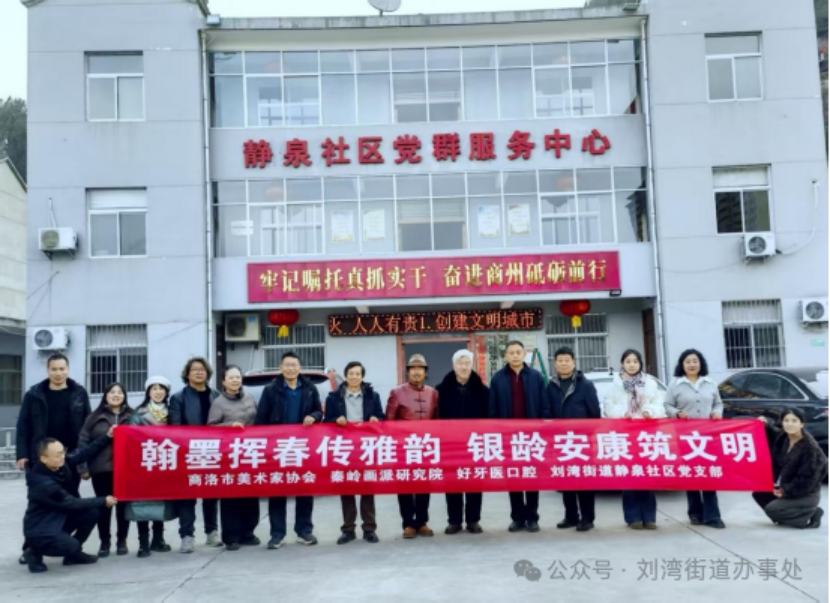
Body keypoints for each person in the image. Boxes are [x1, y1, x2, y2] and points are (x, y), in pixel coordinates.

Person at [16, 353, 92, 565]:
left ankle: (71, 548)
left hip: (70, 459)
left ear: (68, 369)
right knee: (39, 505)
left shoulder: (79, 393)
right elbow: (23, 426)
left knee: (71, 501)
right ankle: (30, 549)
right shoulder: (34, 394)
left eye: (62, 369)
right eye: (54, 369)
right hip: (40, 460)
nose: (58, 373)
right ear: (47, 370)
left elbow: (87, 428)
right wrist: (22, 454)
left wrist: (84, 462)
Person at [23, 429, 118, 573]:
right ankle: (33, 552)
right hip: (41, 527)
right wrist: (103, 500)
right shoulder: (43, 483)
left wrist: (107, 436)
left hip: (58, 517)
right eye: (58, 455)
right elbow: (71, 503)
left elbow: (84, 453)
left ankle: (73, 556)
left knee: (92, 512)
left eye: (63, 452)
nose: (62, 457)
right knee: (70, 545)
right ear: (44, 458)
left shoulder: (60, 464)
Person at [256, 352, 322, 549]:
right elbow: (261, 419)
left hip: (303, 447)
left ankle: (304, 531)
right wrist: (265, 447)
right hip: (278, 449)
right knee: (277, 490)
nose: (291, 368)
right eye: (287, 365)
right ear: (281, 368)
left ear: (299, 368)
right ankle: (277, 534)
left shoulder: (310, 388)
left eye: (294, 365)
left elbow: (319, 411)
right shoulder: (270, 390)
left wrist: (314, 416)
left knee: (305, 489)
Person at [489, 340, 551, 533]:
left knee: (531, 476)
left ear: (524, 354)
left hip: (532, 437)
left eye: (518, 352)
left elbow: (544, 404)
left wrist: (543, 427)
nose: (515, 355)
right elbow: (493, 408)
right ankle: (517, 518)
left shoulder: (536, 376)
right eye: (511, 353)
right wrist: (496, 431)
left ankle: (532, 517)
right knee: (513, 477)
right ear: (505, 356)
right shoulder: (498, 378)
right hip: (508, 438)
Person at [602, 349, 666, 530]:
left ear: (640, 364)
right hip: (625, 435)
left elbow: (658, 405)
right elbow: (608, 406)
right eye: (628, 361)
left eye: (635, 361)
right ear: (622, 364)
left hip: (646, 435)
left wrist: (649, 412)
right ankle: (633, 517)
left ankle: (649, 517)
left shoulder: (650, 383)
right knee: (629, 475)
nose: (632, 364)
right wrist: (623, 413)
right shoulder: (615, 384)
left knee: (647, 474)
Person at [663, 349, 726, 529]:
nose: (692, 364)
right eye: (688, 361)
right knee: (691, 474)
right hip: (686, 437)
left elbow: (718, 403)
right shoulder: (675, 384)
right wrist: (677, 413)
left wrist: (717, 412)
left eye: (695, 361)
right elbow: (667, 405)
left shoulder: (710, 382)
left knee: (709, 475)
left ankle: (713, 515)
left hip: (708, 437)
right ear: (682, 365)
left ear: (700, 363)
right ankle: (695, 513)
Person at [324, 361, 384, 545]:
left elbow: (381, 417)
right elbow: (326, 422)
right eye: (351, 374)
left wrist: (376, 419)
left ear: (362, 376)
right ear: (346, 375)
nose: (354, 377)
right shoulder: (334, 397)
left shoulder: (373, 396)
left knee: (367, 488)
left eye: (358, 374)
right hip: (344, 448)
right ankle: (348, 530)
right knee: (347, 488)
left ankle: (369, 529)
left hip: (366, 447)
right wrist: (336, 419)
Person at [169, 357, 221, 552]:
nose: (199, 372)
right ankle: (187, 536)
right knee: (187, 496)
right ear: (187, 374)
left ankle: (212, 532)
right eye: (195, 370)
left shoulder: (216, 395)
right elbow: (175, 427)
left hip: (213, 451)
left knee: (211, 494)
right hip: (188, 452)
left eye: (202, 369)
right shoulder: (178, 398)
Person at [547, 346, 601, 532]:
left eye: (567, 360)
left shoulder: (585, 385)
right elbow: (547, 411)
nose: (563, 363)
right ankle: (571, 516)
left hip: (582, 441)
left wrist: (589, 435)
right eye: (560, 360)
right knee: (565, 479)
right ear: (555, 364)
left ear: (574, 362)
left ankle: (587, 518)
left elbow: (595, 413)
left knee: (584, 479)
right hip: (561, 441)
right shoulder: (551, 386)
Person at [77, 382, 134, 557]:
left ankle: (122, 541)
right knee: (104, 506)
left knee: (123, 507)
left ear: (124, 396)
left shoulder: (133, 416)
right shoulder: (94, 417)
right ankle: (105, 542)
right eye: (112, 392)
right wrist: (83, 467)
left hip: (126, 470)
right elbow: (82, 443)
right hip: (101, 469)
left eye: (119, 392)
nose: (116, 395)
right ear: (105, 396)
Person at [208, 365, 261, 551]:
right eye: (231, 377)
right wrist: (230, 426)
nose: (235, 380)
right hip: (229, 456)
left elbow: (258, 420)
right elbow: (210, 427)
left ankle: (248, 533)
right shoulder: (218, 403)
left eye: (238, 377)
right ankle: (231, 537)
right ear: (223, 381)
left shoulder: (249, 397)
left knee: (251, 496)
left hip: (250, 453)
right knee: (231, 498)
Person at [386, 354, 439, 539]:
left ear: (425, 372)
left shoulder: (433, 393)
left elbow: (438, 421)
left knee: (424, 485)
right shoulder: (396, 392)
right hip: (404, 449)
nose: (416, 372)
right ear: (408, 371)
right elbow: (389, 422)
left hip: (426, 448)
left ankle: (422, 522)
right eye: (413, 369)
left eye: (420, 369)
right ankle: (408, 523)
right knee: (405, 486)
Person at [436, 349, 489, 535]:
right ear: (453, 365)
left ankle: (473, 520)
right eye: (460, 363)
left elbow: (489, 417)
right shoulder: (440, 390)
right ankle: (455, 521)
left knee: (475, 482)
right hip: (450, 444)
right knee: (452, 482)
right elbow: (436, 417)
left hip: (475, 444)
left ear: (472, 365)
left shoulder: (483, 390)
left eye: (467, 363)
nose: (464, 367)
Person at [753, 410, 827, 529]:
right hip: (785, 487)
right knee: (759, 494)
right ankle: (786, 516)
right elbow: (772, 435)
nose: (789, 424)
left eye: (794, 421)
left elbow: (807, 480)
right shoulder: (783, 438)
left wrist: (785, 491)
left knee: (772, 509)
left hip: (806, 493)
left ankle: (813, 513)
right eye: (786, 420)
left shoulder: (810, 448)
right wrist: (765, 425)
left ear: (801, 424)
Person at [128, 375, 175, 558]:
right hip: (144, 464)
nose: (158, 392)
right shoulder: (138, 413)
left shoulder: (172, 412)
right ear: (148, 392)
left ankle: (158, 539)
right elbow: (132, 438)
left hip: (164, 463)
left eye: (161, 388)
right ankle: (143, 543)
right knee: (143, 504)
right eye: (154, 389)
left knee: (160, 502)